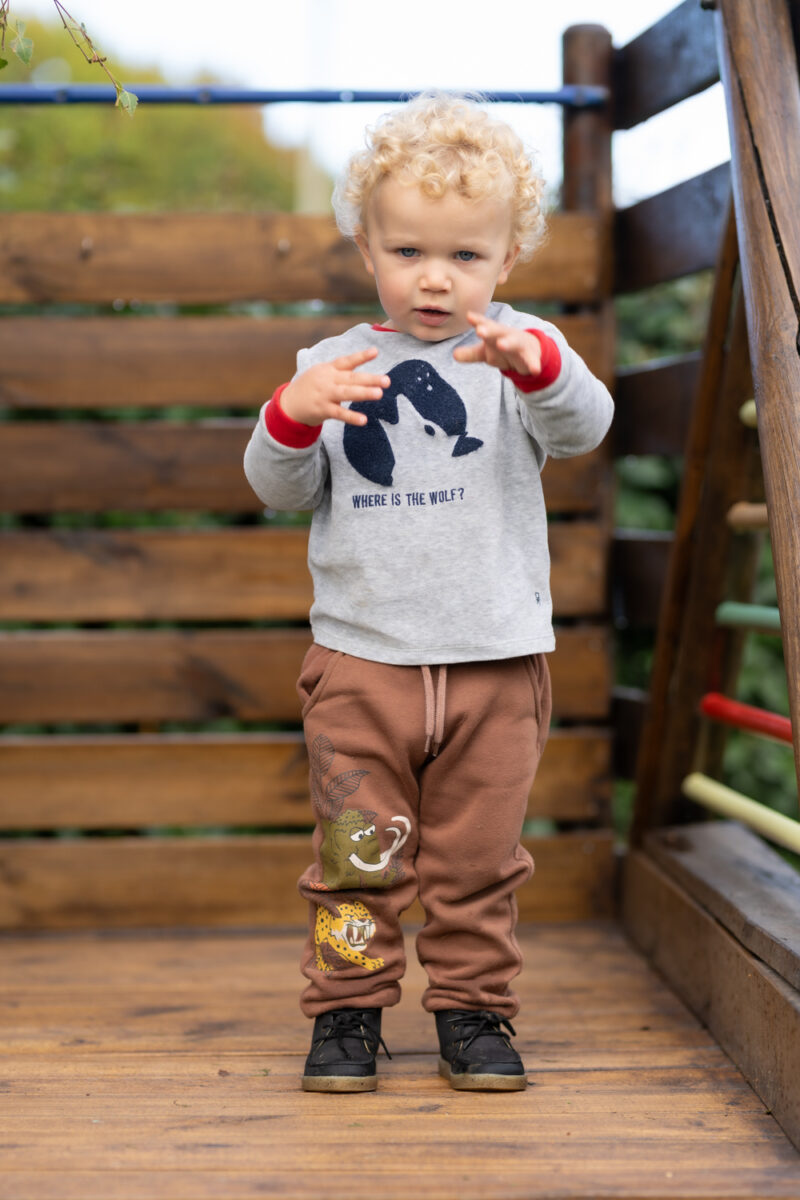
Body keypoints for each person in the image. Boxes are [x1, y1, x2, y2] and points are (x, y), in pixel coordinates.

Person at [244, 90, 613, 1093]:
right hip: (364, 666)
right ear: (365, 246)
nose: (435, 277)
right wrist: (289, 415)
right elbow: (279, 488)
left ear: (507, 259)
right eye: (407, 250)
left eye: (465, 255)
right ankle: (347, 1010)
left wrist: (540, 369)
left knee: (480, 863)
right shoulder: (331, 364)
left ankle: (473, 1012)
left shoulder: (518, 353)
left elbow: (585, 426)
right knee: (355, 858)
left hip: (495, 664)